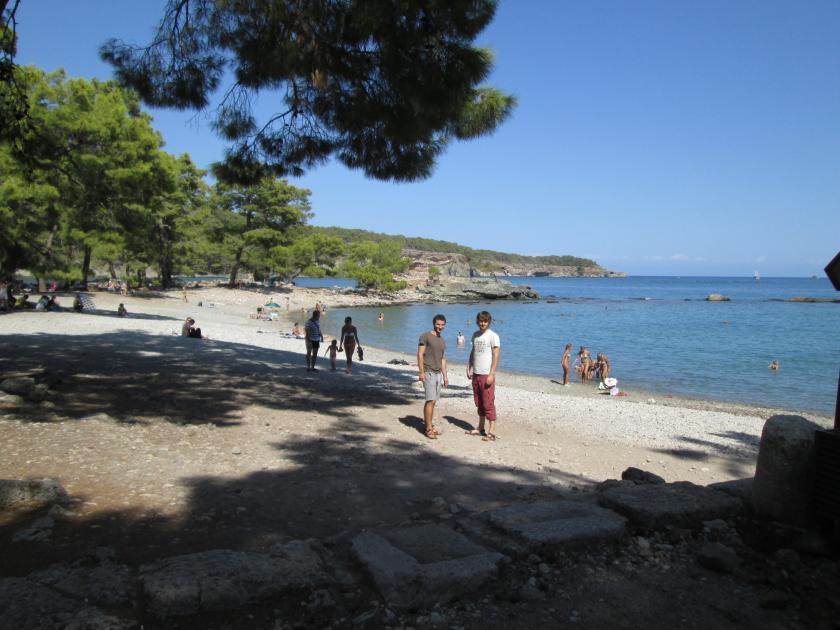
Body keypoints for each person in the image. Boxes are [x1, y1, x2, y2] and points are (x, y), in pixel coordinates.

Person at [466, 311, 501, 442]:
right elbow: (473, 352)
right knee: (479, 402)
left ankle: (492, 431)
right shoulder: (475, 335)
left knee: (488, 403)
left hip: (487, 374)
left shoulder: (493, 336)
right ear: (477, 321)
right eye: (480, 321)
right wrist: (469, 366)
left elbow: (496, 355)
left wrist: (492, 374)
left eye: (485, 321)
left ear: (489, 322)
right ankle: (480, 428)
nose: (482, 323)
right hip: (476, 373)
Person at [417, 314, 448, 440]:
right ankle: (428, 428)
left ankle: (428, 424)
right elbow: (420, 354)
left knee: (434, 401)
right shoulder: (425, 336)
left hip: (438, 373)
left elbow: (443, 359)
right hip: (428, 371)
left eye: (442, 325)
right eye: (438, 324)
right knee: (430, 400)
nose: (440, 327)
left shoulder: (442, 340)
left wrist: (445, 376)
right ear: (433, 324)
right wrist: (421, 372)